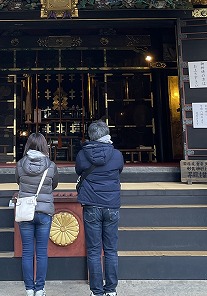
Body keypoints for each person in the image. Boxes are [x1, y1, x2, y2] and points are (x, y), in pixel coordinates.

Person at [75, 120, 124, 296]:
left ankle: (97, 292)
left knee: (94, 250)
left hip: (91, 205)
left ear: (90, 135)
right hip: (111, 205)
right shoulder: (117, 155)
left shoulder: (82, 155)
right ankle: (111, 290)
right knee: (111, 249)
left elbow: (79, 171)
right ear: (106, 134)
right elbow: (118, 170)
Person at [15, 133, 58, 296]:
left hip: (26, 211)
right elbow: (54, 184)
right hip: (44, 212)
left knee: (27, 251)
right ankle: (40, 289)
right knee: (41, 251)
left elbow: (19, 182)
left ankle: (29, 289)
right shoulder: (51, 165)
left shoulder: (20, 164)